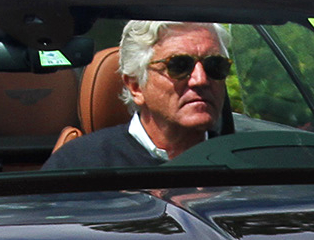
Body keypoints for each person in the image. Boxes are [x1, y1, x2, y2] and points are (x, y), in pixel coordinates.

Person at [45, 19, 233, 168]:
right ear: (136, 87)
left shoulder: (246, 160)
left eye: (215, 66)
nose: (200, 79)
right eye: (178, 66)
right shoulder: (78, 164)